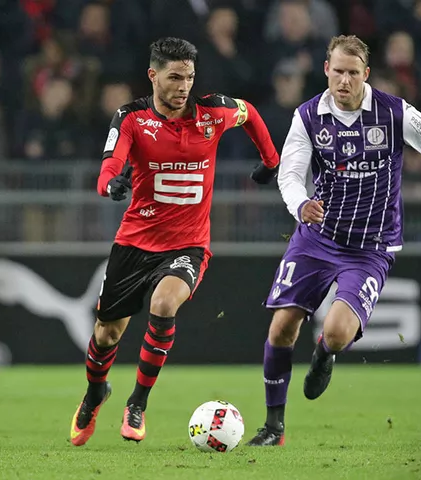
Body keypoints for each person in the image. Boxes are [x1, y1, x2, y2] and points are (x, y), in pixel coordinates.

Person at [246, 35, 421, 446]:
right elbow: (290, 173)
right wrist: (300, 204)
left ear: (366, 74)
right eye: (337, 71)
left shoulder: (394, 112)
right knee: (281, 327)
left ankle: (326, 354)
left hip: (370, 246)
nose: (344, 81)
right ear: (326, 70)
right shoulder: (308, 116)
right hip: (317, 237)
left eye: (353, 73)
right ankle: (274, 427)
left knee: (336, 333)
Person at [69, 37, 279, 446]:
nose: (184, 86)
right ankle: (95, 393)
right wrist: (110, 185)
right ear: (153, 75)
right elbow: (110, 164)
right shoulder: (131, 118)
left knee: (164, 304)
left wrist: (270, 161)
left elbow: (250, 113)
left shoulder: (213, 113)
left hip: (188, 246)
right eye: (175, 77)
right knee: (106, 334)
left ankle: (137, 404)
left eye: (189, 77)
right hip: (135, 243)